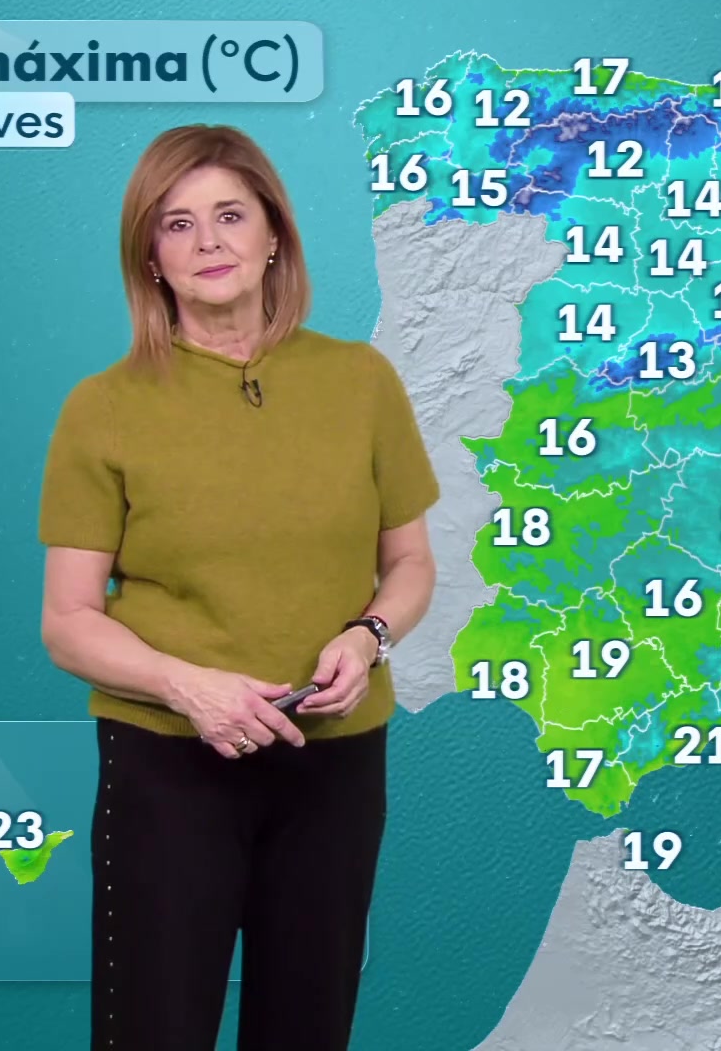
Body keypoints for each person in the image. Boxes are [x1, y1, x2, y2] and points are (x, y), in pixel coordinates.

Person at [38, 124, 440, 1050]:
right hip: (169, 765)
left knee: (307, 1029)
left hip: (334, 764)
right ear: (150, 255)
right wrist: (191, 688)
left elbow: (412, 564)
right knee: (154, 1031)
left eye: (230, 215)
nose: (208, 242)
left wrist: (369, 637)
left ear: (273, 236)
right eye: (178, 223)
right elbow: (68, 620)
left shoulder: (361, 382)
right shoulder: (104, 407)